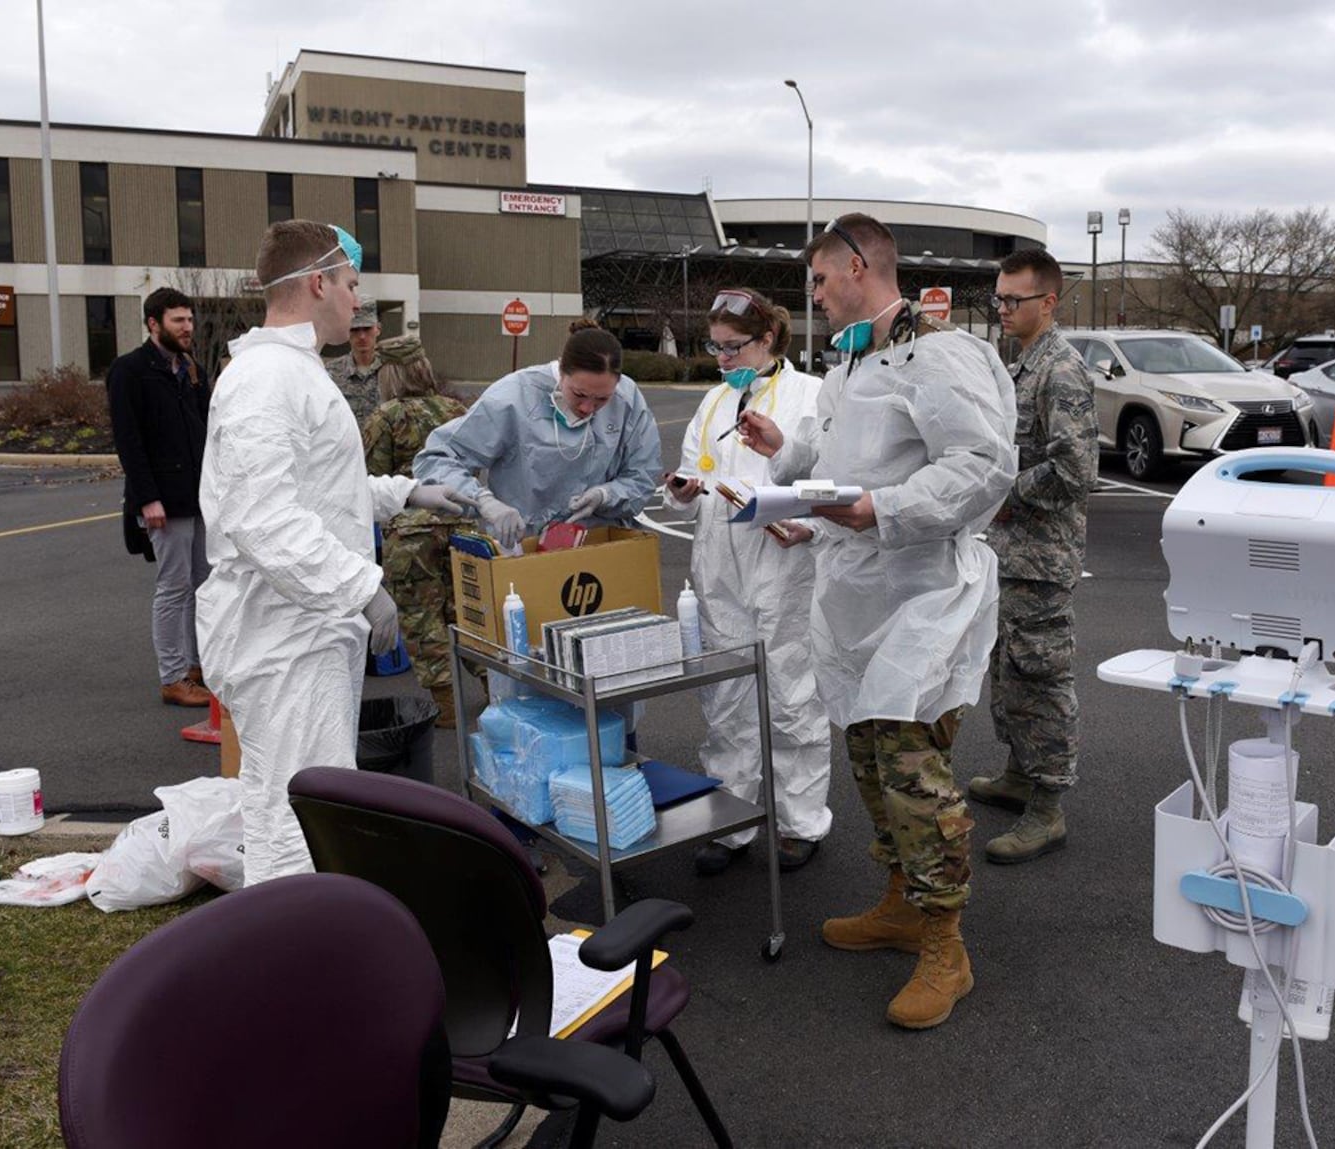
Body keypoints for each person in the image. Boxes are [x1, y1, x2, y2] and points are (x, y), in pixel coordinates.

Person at [739, 214, 1015, 1029]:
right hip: (858, 596)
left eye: (821, 280)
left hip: (924, 597)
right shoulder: (850, 367)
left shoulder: (942, 356)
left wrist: (884, 508)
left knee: (908, 763)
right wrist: (783, 451)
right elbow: (833, 461)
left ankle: (945, 943)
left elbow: (983, 464)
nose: (814, 297)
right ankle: (900, 901)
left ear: (859, 266)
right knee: (867, 754)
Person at [197, 220, 472, 885]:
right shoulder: (267, 379)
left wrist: (412, 491)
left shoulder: (293, 370)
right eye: (351, 285)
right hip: (284, 640)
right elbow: (265, 520)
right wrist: (362, 588)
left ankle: (295, 942)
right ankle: (296, 954)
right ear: (317, 282)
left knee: (287, 802)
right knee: (299, 813)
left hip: (302, 633)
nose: (356, 303)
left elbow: (325, 492)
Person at [664, 288, 832, 877]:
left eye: (734, 347)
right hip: (720, 565)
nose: (723, 359)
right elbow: (694, 470)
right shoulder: (713, 402)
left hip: (783, 564)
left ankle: (799, 821)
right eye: (716, 348)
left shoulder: (810, 397)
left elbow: (834, 480)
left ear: (767, 340)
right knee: (726, 694)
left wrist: (809, 529)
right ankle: (731, 819)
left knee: (790, 693)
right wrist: (683, 489)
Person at [971, 249, 1099, 863]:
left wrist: (1004, 492)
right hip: (1012, 554)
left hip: (1041, 558)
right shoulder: (1022, 364)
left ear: (1048, 302)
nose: (1002, 309)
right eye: (998, 299)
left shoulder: (1061, 371)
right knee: (1010, 670)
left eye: (1012, 300)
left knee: (1042, 677)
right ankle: (1020, 773)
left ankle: (1047, 806)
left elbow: (1075, 470)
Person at [413, 319, 662, 545]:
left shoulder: (627, 400)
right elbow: (438, 458)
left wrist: (606, 495)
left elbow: (643, 473)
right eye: (579, 395)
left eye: (602, 400)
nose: (588, 408)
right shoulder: (513, 397)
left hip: (598, 544)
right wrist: (483, 501)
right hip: (524, 545)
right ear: (562, 371)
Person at [106, 286, 214, 708]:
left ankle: (196, 667)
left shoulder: (192, 370)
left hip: (198, 497)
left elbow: (205, 432)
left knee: (203, 584)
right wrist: (147, 498)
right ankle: (172, 677)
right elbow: (128, 441)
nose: (188, 328)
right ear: (154, 324)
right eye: (178, 321)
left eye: (189, 320)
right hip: (163, 502)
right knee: (173, 587)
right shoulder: (129, 371)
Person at [361, 336, 471, 729]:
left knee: (423, 619)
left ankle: (447, 706)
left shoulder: (385, 417)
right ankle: (497, 693)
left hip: (410, 534)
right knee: (469, 610)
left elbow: (372, 480)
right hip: (461, 522)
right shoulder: (456, 409)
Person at [326, 296, 382, 429]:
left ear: (378, 329)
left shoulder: (392, 371)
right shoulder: (332, 372)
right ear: (347, 332)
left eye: (367, 329)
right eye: (355, 330)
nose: (362, 336)